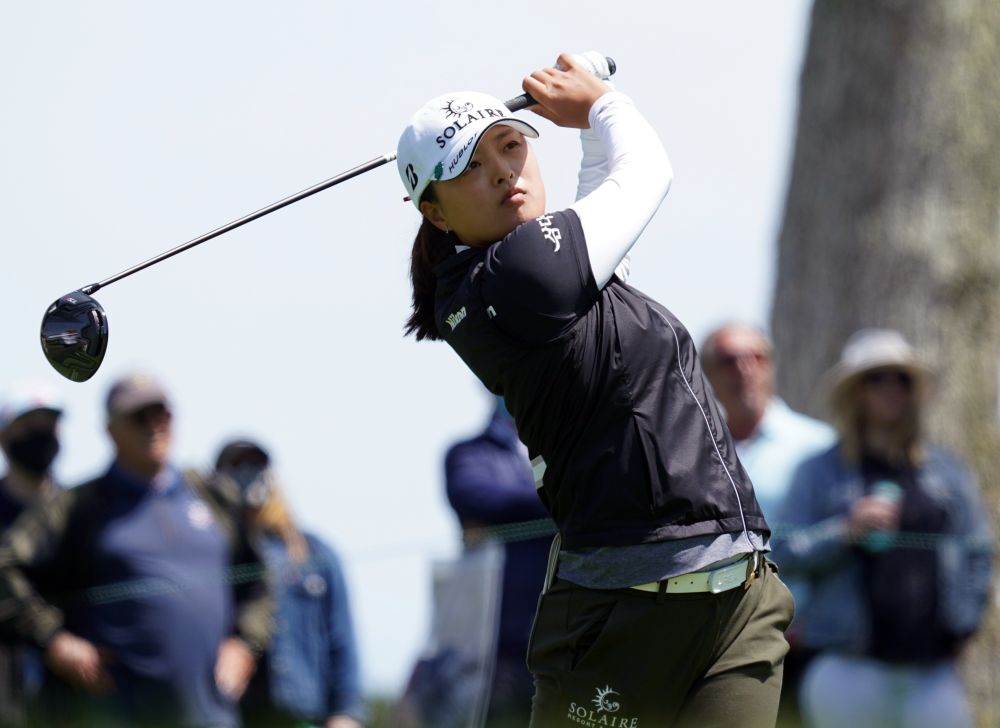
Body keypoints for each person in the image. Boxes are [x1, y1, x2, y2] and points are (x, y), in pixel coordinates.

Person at [396, 51, 794, 726]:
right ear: (435, 214)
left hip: (738, 602)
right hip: (619, 621)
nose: (500, 172)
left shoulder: (531, 271)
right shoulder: (516, 276)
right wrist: (601, 104)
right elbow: (646, 175)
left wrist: (584, 129)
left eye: (511, 146)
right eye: (467, 168)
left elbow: (600, 222)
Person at [0, 372, 273, 728]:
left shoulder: (212, 496)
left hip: (212, 715)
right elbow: (6, 567)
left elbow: (260, 580)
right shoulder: (78, 506)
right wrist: (54, 641)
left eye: (161, 414)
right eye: (138, 417)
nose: (153, 426)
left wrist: (245, 645)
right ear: (111, 429)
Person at [772, 329, 994, 728]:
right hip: (847, 668)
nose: (890, 389)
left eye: (901, 379)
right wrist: (845, 529)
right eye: (877, 378)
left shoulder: (947, 472)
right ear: (856, 391)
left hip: (932, 673)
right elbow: (782, 552)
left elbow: (978, 547)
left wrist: (966, 622)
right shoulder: (819, 471)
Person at [701, 322, 835, 727]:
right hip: (715, 645)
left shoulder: (818, 447)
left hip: (802, 646)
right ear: (706, 374)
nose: (744, 368)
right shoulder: (696, 452)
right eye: (728, 360)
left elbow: (842, 545)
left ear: (770, 367)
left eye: (755, 356)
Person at [397, 397, 552, 728]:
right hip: (496, 652)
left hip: (566, 641)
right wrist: (566, 495)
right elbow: (474, 494)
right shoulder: (468, 453)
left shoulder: (567, 447)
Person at [213, 438, 364, 728]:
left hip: (303, 713)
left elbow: (342, 639)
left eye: (256, 466)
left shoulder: (316, 553)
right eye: (236, 467)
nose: (248, 474)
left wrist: (347, 712)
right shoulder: (211, 553)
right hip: (234, 713)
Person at [0, 380, 65, 728]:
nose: (42, 434)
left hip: (70, 685)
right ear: (5, 437)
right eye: (30, 426)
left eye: (49, 425)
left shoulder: (76, 512)